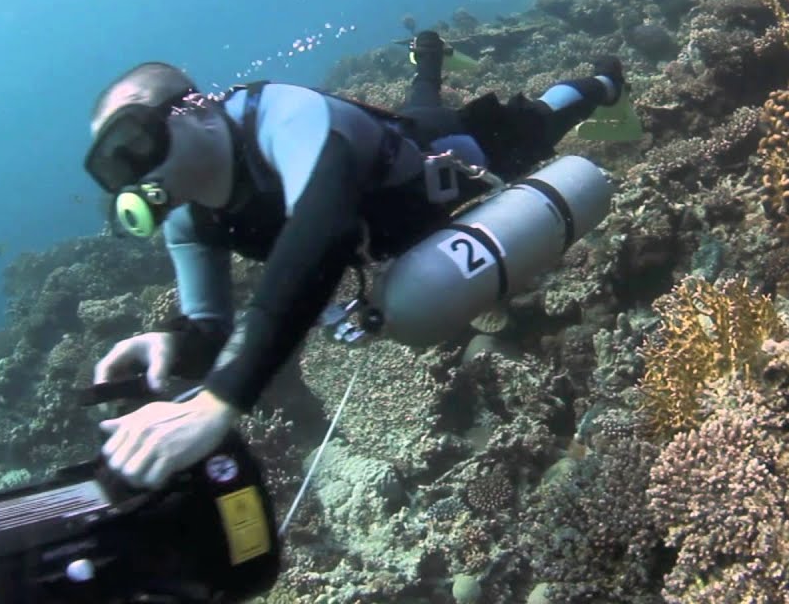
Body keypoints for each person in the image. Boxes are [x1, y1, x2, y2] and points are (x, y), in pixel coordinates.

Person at [82, 31, 627, 491]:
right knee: (419, 102)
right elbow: (211, 328)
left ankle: (605, 82)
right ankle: (428, 55)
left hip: (441, 167)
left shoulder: (281, 115)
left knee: (535, 123)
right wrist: (174, 343)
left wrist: (220, 401)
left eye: (134, 142)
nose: (135, 175)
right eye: (114, 167)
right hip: (391, 215)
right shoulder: (187, 221)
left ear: (195, 107)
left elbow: (323, 232)